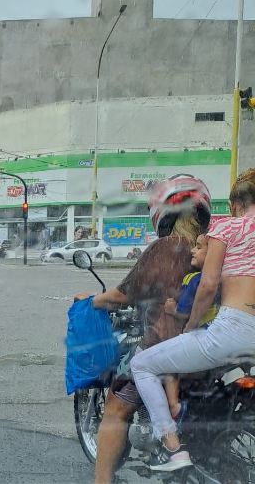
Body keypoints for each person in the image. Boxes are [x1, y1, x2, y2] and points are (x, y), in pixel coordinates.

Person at [78, 174, 211, 484]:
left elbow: (123, 295)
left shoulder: (165, 247)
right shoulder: (214, 248)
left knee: (114, 408)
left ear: (162, 213)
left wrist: (91, 300)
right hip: (210, 346)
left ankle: (102, 481)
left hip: (165, 345)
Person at [131, 169, 255, 472]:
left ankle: (172, 446)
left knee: (142, 364)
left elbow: (208, 284)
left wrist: (191, 326)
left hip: (233, 330)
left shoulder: (228, 228)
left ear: (236, 204)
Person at [159, 233, 219, 424]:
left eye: (199, 247)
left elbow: (184, 311)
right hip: (217, 336)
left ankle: (174, 406)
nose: (193, 250)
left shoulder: (195, 279)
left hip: (198, 336)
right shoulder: (223, 278)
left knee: (166, 361)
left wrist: (171, 309)